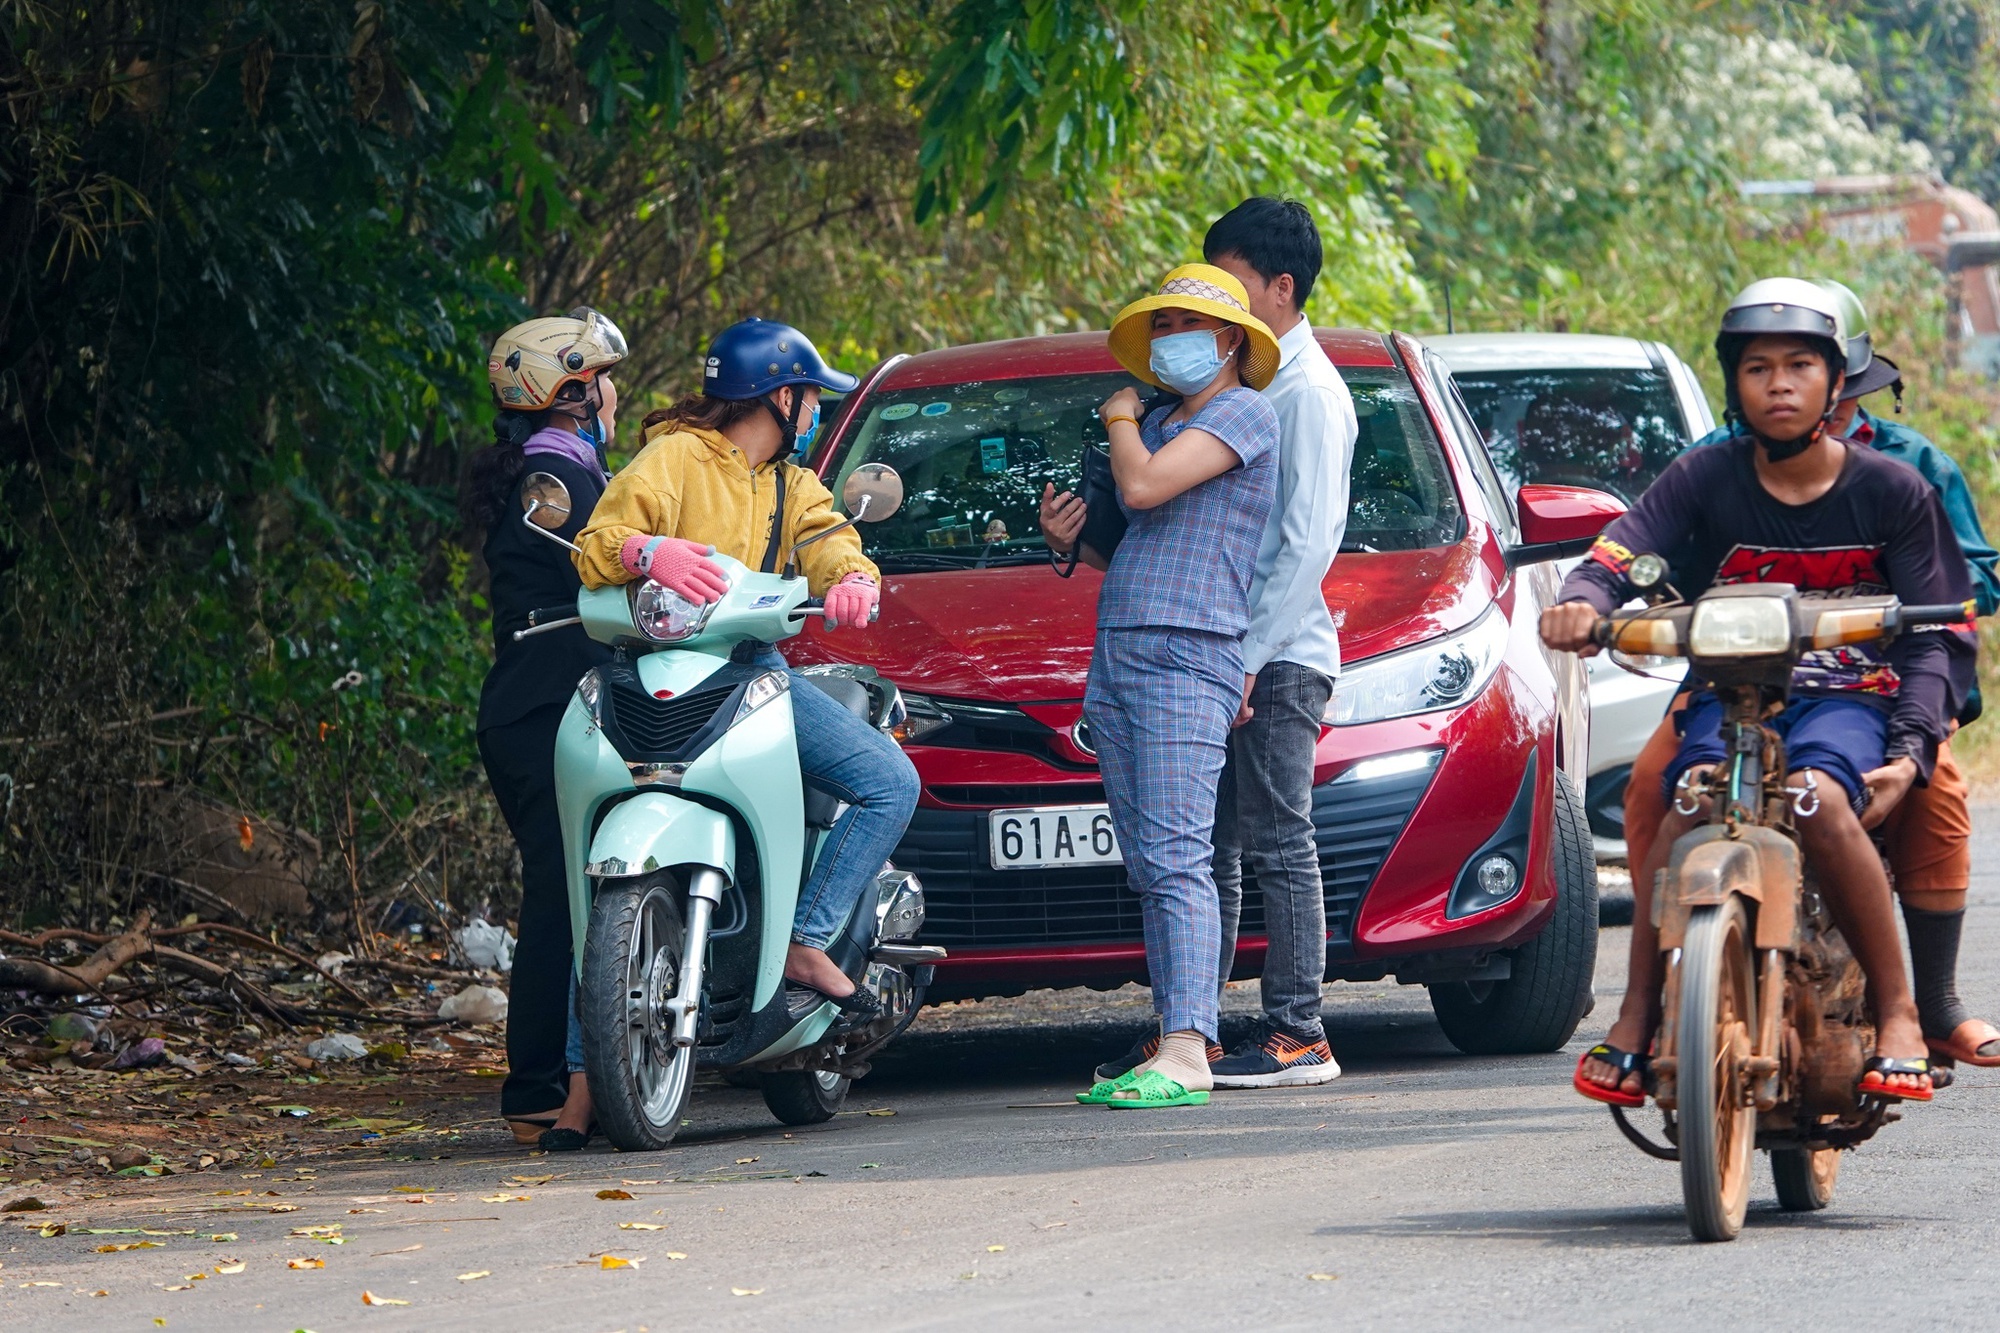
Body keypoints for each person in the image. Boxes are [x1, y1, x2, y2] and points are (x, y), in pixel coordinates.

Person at [1544, 277, 1975, 1106]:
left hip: (1852, 699)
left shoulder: (1896, 490)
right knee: (1679, 806)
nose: (1778, 383)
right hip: (1728, 692)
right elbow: (1619, 553)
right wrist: (1581, 604)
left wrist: (1912, 746)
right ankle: (1638, 1012)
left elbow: (1938, 638)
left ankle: (1901, 1012)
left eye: (1800, 366)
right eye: (1758, 368)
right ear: (1735, 384)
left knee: (1816, 798)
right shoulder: (1703, 478)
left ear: (1834, 383)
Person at [1061, 200, 1356, 1088]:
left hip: (1273, 641)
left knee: (1275, 837)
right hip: (1219, 638)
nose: (1206, 314)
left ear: (1278, 288)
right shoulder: (1226, 399)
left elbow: (1306, 542)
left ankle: (1297, 1026)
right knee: (1209, 846)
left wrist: (1247, 655)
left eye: (1228, 289)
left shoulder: (1304, 394)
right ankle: (1197, 1029)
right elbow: (1174, 528)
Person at [571, 318, 919, 1026]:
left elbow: (833, 542)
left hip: (749, 673)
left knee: (890, 780)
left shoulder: (793, 485)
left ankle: (804, 938)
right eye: (811, 395)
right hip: (656, 668)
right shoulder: (672, 459)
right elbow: (594, 543)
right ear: (777, 398)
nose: (817, 409)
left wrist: (854, 579)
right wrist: (644, 551)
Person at [1044, 263, 1282, 1109]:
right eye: (1161, 324)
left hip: (1190, 653)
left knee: (1181, 853)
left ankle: (1186, 1045)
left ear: (1228, 339)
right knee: (1152, 861)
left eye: (1187, 323)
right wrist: (1069, 538)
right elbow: (1144, 537)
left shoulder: (1243, 411)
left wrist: (1117, 421)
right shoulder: (1159, 423)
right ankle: (1180, 1031)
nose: (1169, 339)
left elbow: (1143, 484)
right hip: (1122, 648)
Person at [466, 307, 626, 1149]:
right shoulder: (553, 484)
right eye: (600, 380)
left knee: (568, 894)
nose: (612, 395)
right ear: (570, 393)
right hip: (540, 715)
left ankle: (565, 1078)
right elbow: (608, 565)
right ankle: (535, 1089)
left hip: (540, 712)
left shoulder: (555, 468)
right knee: (563, 898)